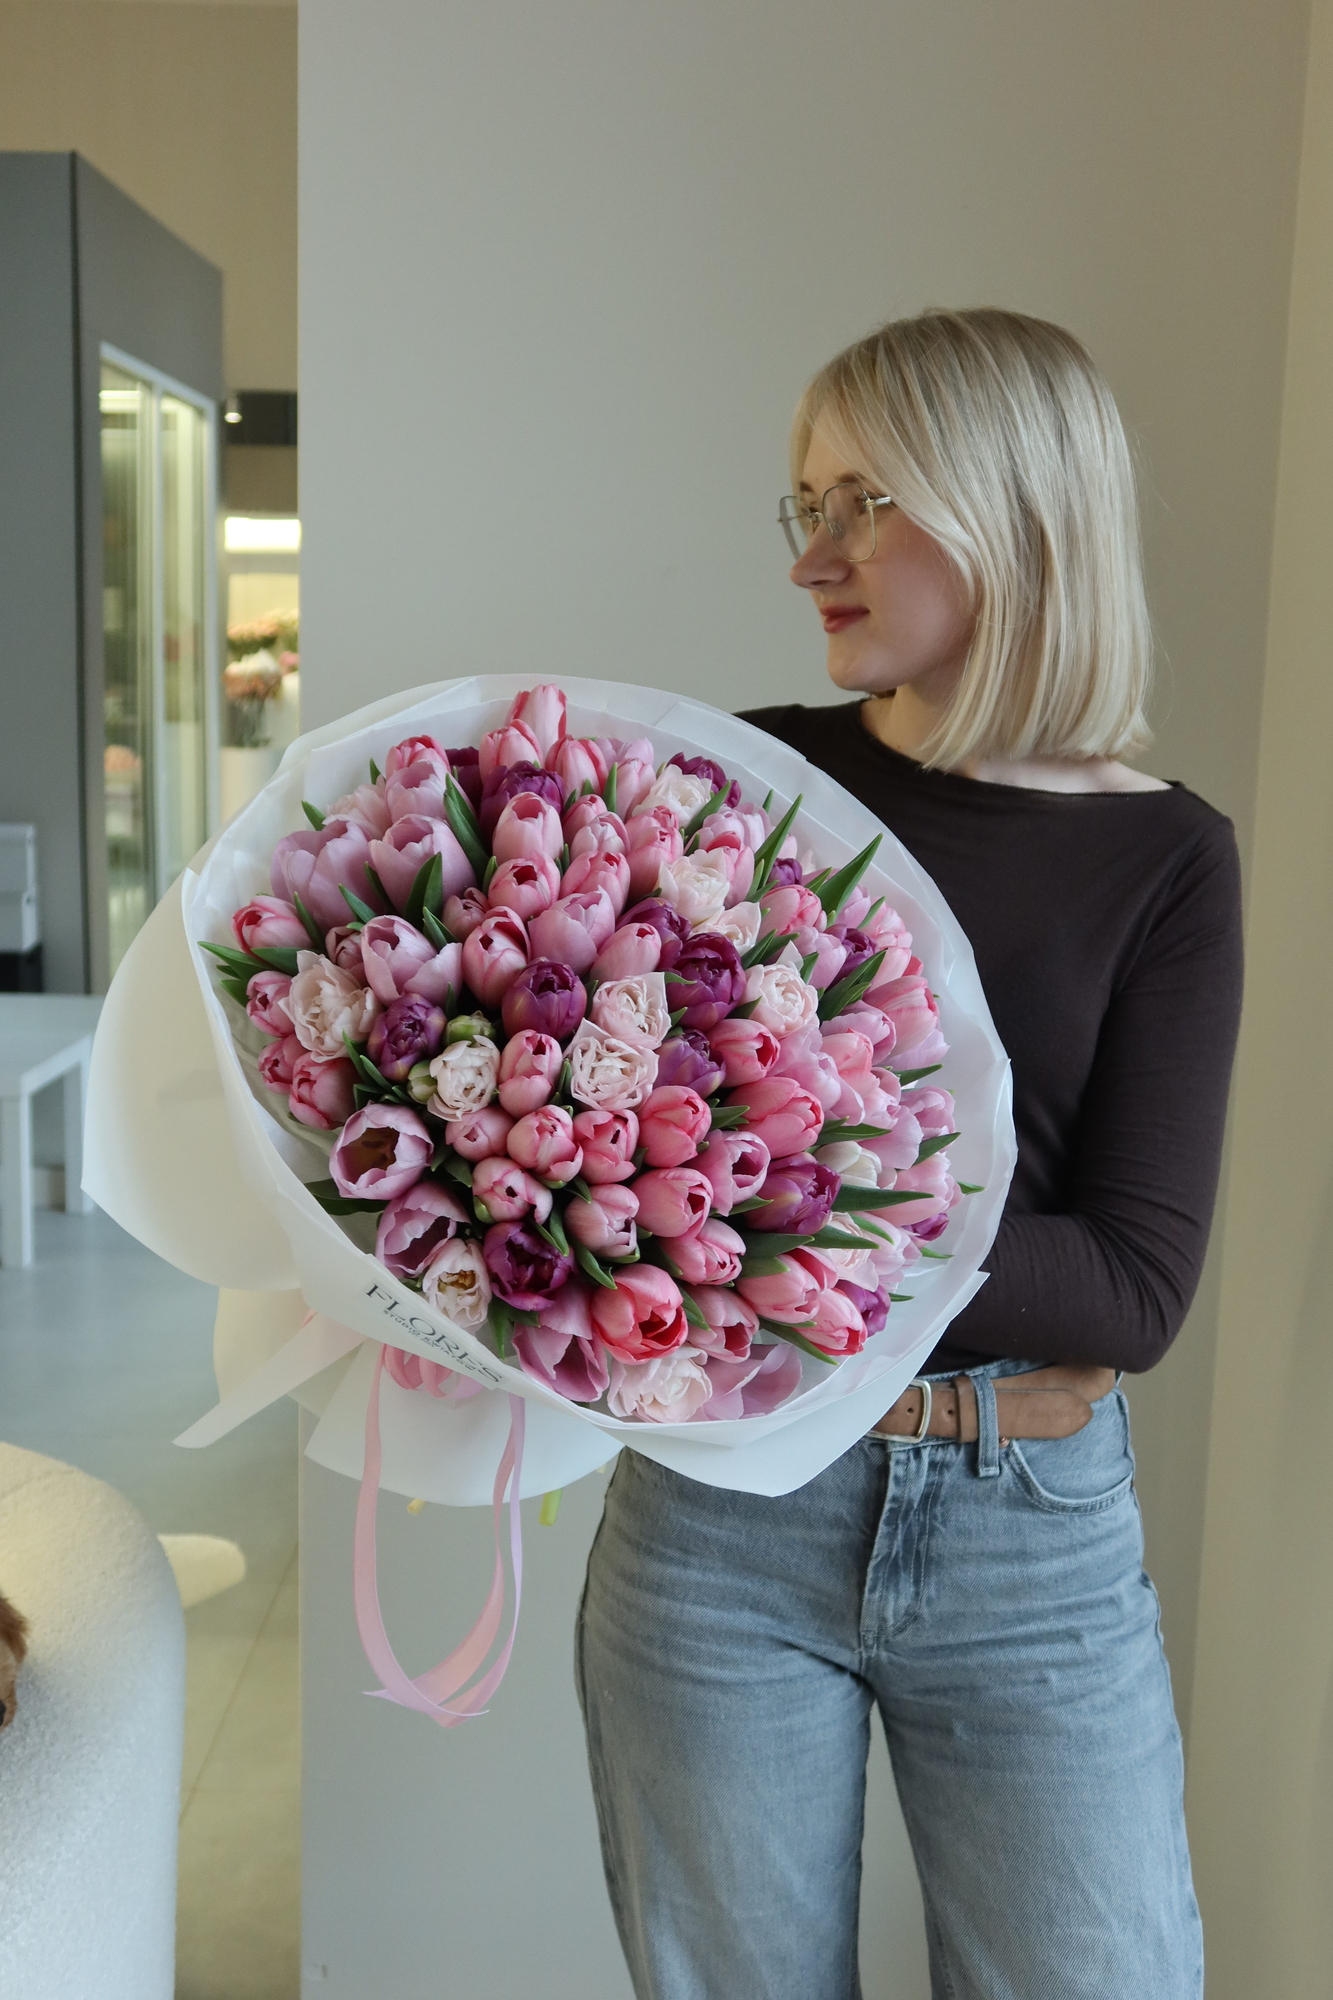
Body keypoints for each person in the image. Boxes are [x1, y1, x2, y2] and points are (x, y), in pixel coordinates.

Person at [576, 307, 1243, 1999]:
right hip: (724, 1510)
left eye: (862, 503)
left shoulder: (1167, 861)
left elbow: (1130, 1287)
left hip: (1030, 1524)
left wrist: (750, 1201)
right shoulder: (739, 786)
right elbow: (596, 1147)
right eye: (802, 505)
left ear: (1014, 509)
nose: (812, 557)